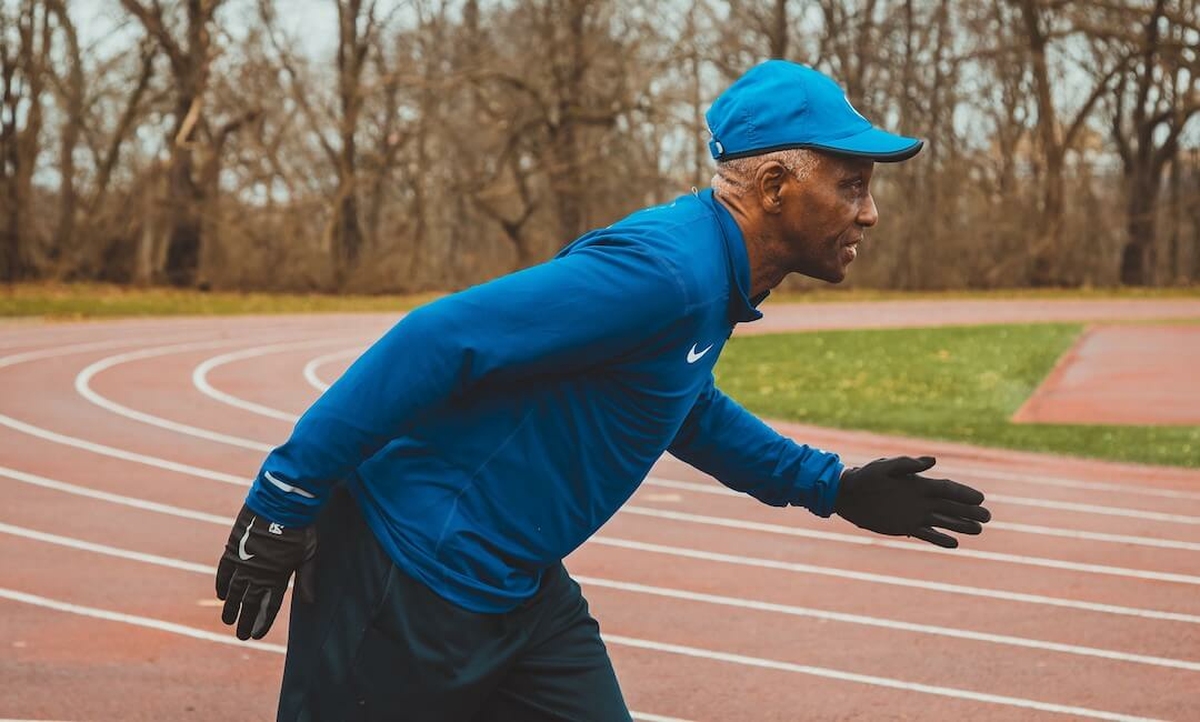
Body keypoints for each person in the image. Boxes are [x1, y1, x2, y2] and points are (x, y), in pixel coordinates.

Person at [216, 59, 992, 721]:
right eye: (852, 183)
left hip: (518, 591)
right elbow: (439, 337)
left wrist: (834, 487)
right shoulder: (665, 273)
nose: (871, 211)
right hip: (408, 574)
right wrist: (283, 498)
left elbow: (682, 405)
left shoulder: (710, 277)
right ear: (777, 185)